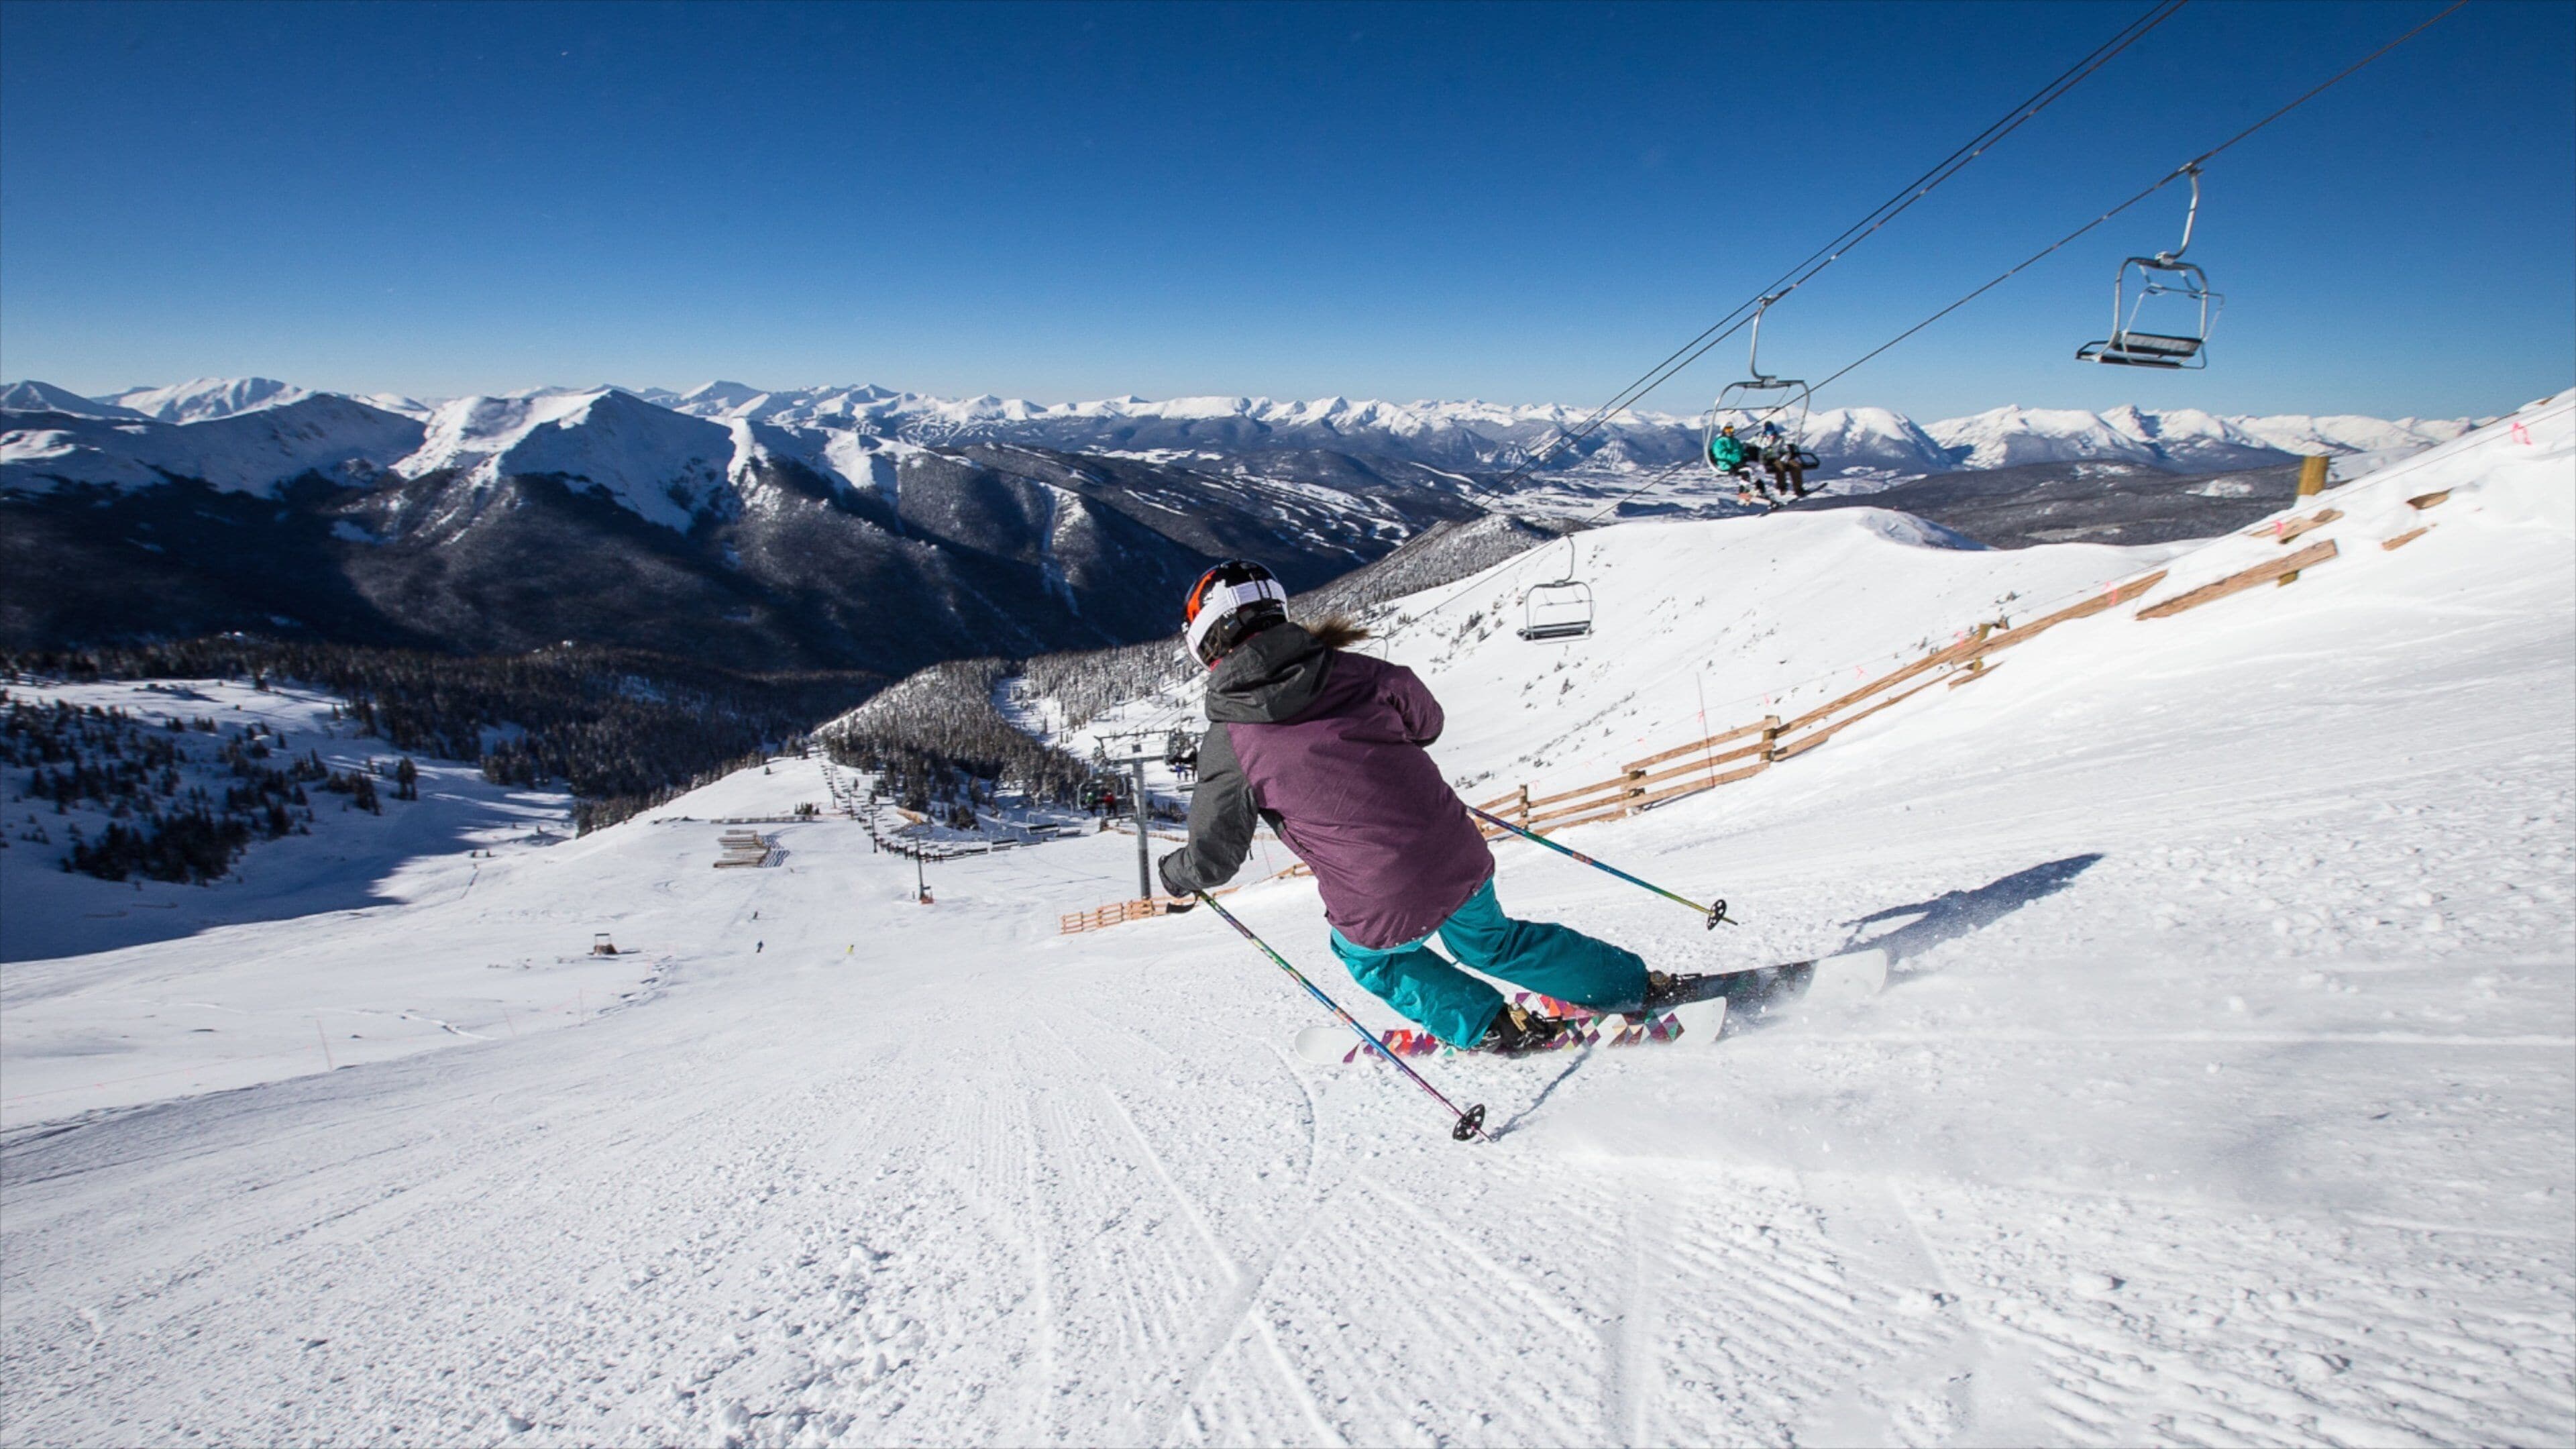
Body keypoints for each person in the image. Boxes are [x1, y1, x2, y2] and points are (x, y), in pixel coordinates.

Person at [1155, 560, 1687, 1054]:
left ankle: (1484, 1024)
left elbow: (1213, 859)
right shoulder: (1359, 671)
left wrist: (1175, 878)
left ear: (1206, 644)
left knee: (1369, 961)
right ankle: (1631, 987)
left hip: (1376, 895)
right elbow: (1426, 723)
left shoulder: (1231, 741)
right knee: (1491, 943)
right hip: (1456, 852)